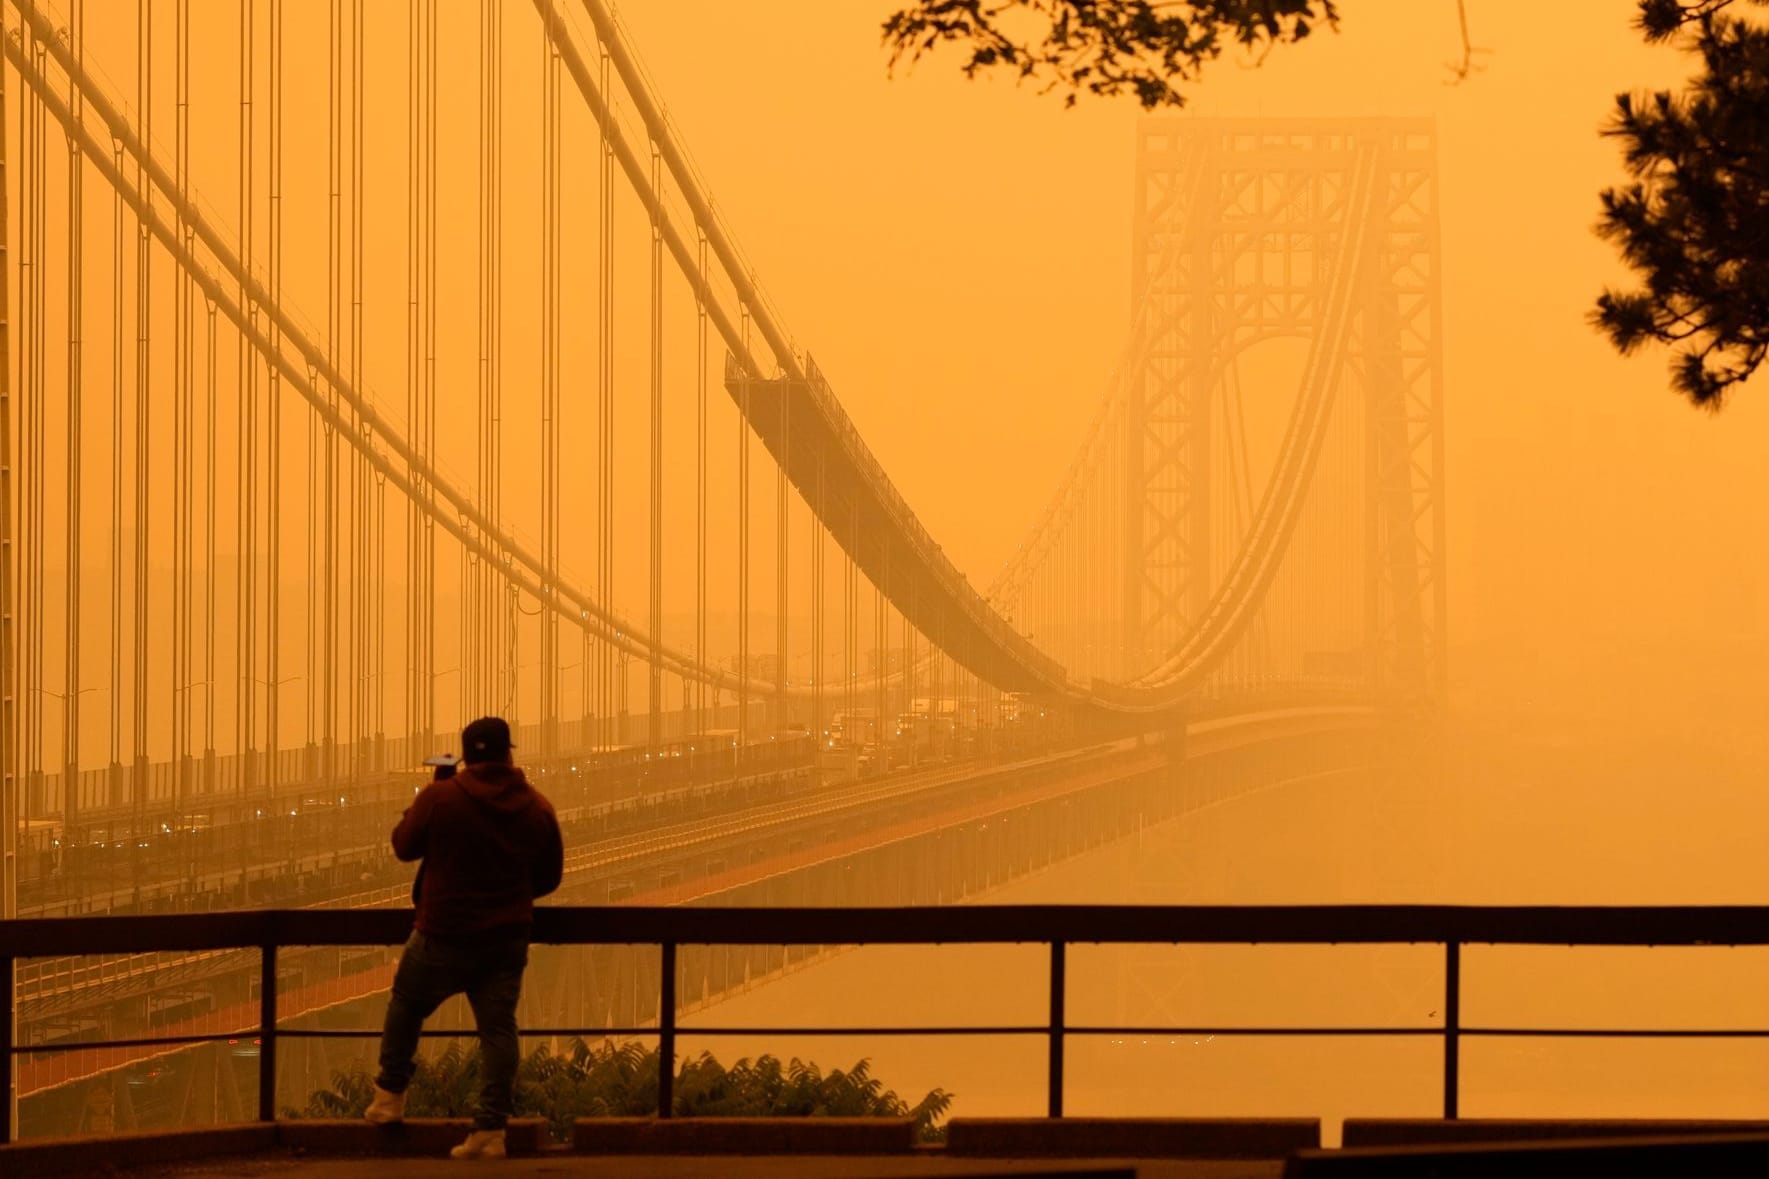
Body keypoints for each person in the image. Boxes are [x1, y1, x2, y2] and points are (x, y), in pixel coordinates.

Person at [364, 717, 564, 1160]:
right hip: (506, 940)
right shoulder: (537, 807)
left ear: (465, 756)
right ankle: (491, 1132)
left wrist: (430, 793)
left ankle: (389, 1099)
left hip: (442, 935)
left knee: (405, 1006)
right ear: (509, 753)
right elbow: (550, 877)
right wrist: (508, 898)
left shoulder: (442, 797)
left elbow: (403, 846)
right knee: (498, 1031)